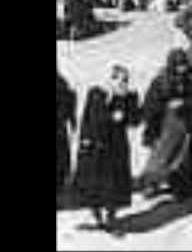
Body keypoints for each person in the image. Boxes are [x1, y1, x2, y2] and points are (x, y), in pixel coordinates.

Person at [71, 65, 141, 232]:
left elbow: (135, 120)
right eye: (117, 78)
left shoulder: (129, 97)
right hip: (95, 146)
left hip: (116, 147)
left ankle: (111, 218)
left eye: (125, 80)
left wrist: (125, 113)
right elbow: (88, 118)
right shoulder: (96, 93)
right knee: (92, 182)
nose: (121, 83)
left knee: (114, 184)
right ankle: (96, 216)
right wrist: (84, 139)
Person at [141, 49, 192, 199]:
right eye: (178, 66)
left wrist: (184, 103)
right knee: (160, 156)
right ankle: (151, 183)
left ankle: (181, 185)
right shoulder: (161, 80)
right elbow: (150, 104)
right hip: (165, 125)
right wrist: (153, 123)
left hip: (187, 123)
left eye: (183, 65)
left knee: (183, 156)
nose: (182, 69)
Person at [57, 71, 77, 202]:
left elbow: (68, 100)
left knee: (61, 161)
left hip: (59, 129)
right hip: (60, 129)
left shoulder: (60, 83)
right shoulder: (61, 82)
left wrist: (71, 118)